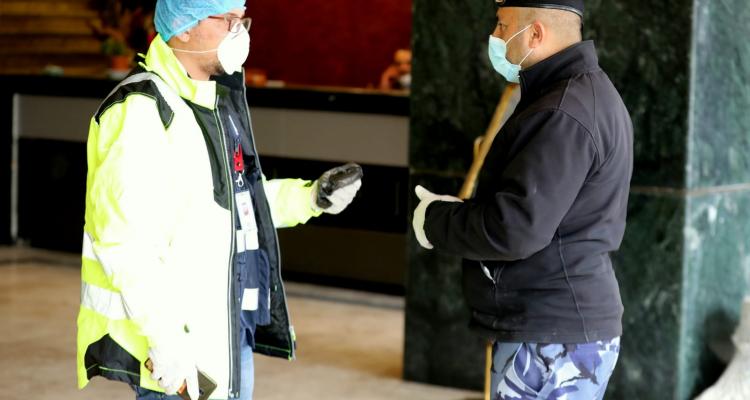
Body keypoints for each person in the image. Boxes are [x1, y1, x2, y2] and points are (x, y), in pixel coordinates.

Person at [76, 1, 363, 400]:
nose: (239, 32)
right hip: (178, 352)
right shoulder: (142, 110)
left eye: (242, 20)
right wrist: (166, 342)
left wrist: (312, 197)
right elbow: (123, 241)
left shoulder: (212, 102)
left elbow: (234, 205)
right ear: (184, 27)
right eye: (227, 20)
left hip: (225, 333)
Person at [411, 0, 633, 398]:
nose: (494, 37)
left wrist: (435, 221)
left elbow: (514, 229)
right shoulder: (581, 95)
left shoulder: (561, 112)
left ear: (535, 33)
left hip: (551, 334)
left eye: (502, 25)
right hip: (560, 326)